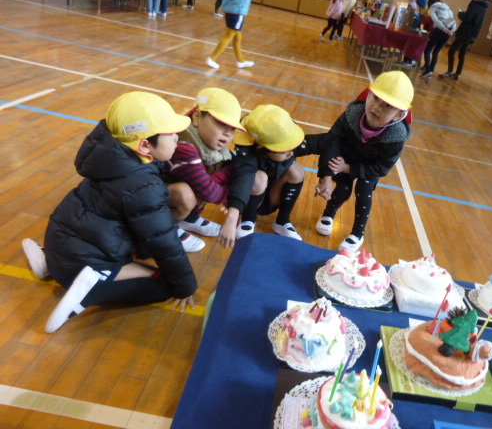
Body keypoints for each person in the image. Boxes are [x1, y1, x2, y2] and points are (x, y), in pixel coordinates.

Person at [21, 92, 197, 333]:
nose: (177, 137)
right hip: (81, 264)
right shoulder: (143, 185)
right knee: (164, 285)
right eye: (170, 133)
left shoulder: (111, 158)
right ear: (145, 145)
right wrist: (185, 286)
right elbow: (163, 242)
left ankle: (48, 264)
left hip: (58, 248)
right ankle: (92, 289)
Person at [315, 71, 414, 253]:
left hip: (369, 169)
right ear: (368, 94)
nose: (377, 107)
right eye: (375, 98)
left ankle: (357, 233)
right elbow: (331, 142)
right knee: (343, 190)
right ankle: (328, 213)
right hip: (346, 158)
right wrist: (326, 176)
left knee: (364, 191)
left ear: (398, 115)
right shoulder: (350, 115)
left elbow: (381, 168)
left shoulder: (396, 137)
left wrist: (349, 168)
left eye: (388, 106)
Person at [217, 105, 336, 248]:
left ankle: (282, 221)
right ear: (263, 150)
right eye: (284, 151)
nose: (291, 153)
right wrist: (232, 218)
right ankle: (248, 220)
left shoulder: (285, 140)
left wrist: (326, 178)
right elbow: (243, 179)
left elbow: (330, 141)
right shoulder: (247, 153)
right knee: (258, 178)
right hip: (251, 200)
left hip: (273, 195)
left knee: (296, 169)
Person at [163, 87, 246, 252]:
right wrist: (234, 195)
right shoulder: (184, 144)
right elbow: (209, 192)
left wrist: (222, 178)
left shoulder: (210, 142)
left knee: (211, 175)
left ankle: (189, 219)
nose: (228, 133)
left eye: (232, 128)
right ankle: (166, 229)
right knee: (186, 193)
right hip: (152, 198)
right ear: (197, 117)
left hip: (170, 192)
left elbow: (237, 166)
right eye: (221, 124)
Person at [440, 0, 490, 80]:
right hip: (472, 35)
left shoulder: (474, 4)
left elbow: (467, 18)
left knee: (451, 51)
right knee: (462, 54)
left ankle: (450, 71)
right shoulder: (484, 7)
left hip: (464, 33)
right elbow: (474, 19)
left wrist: (461, 13)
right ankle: (457, 74)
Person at [420, 0, 457, 80]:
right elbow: (453, 21)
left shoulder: (433, 7)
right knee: (436, 52)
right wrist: (452, 30)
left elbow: (435, 20)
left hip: (440, 31)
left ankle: (427, 71)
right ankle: (431, 71)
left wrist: (444, 29)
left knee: (428, 49)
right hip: (448, 32)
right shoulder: (448, 8)